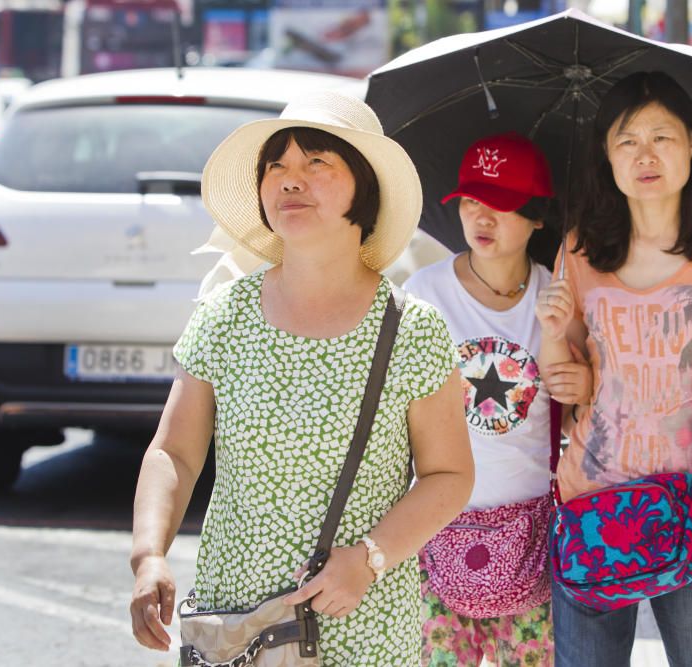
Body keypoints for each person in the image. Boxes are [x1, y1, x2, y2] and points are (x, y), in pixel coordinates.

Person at [128, 92, 474, 666]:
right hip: (237, 625)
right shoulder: (224, 316)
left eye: (317, 163)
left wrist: (369, 559)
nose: (291, 180)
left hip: (362, 628)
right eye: (276, 166)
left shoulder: (412, 329)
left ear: (363, 188)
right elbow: (174, 453)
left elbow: (450, 475)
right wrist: (149, 556)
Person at [536, 71, 692, 667]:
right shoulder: (579, 249)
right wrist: (551, 334)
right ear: (607, 156)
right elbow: (564, 379)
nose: (645, 155)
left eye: (661, 137)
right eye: (626, 141)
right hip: (592, 504)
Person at [404, 132, 592, 667]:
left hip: (533, 527)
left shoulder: (556, 294)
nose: (481, 219)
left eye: (501, 205)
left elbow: (578, 405)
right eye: (470, 202)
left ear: (536, 217)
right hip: (435, 526)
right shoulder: (423, 295)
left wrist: (581, 385)